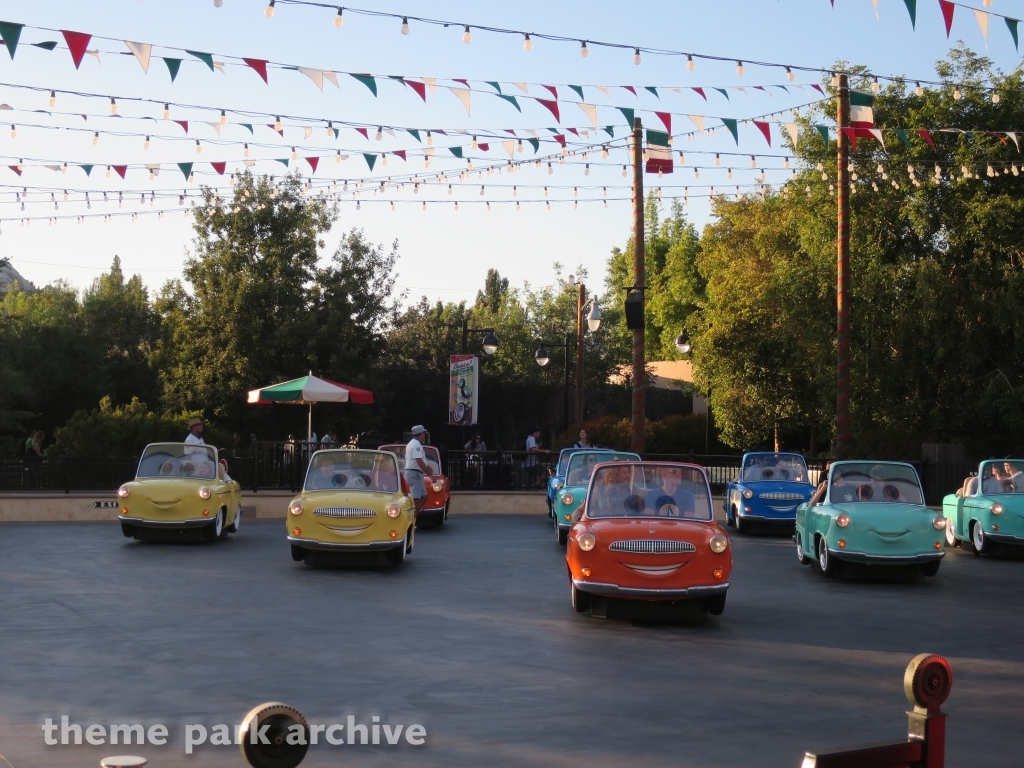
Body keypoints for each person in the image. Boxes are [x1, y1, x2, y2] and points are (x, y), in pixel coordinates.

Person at [403, 425, 433, 514]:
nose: (424, 435)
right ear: (421, 434)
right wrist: (430, 475)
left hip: (414, 472)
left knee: (423, 496)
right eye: (424, 433)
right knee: (416, 498)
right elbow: (419, 461)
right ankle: (411, 517)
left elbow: (418, 461)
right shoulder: (416, 445)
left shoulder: (412, 443)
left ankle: (414, 515)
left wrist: (427, 467)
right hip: (414, 473)